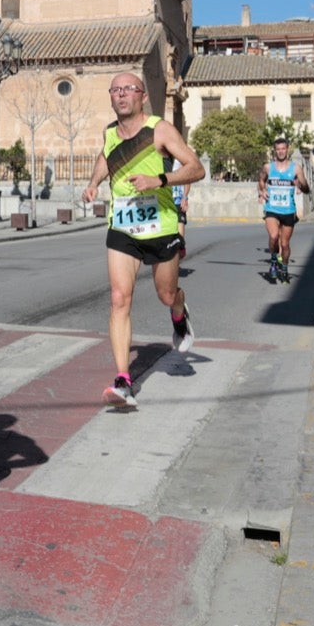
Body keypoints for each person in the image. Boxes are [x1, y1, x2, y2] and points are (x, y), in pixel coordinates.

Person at [81, 73, 204, 408]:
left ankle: (179, 311)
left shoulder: (160, 129)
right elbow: (107, 157)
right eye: (116, 90)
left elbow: (196, 168)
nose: (121, 95)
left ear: (142, 96)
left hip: (160, 225)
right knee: (119, 298)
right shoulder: (109, 132)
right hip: (122, 226)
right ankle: (123, 380)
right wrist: (94, 182)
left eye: (128, 90)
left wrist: (159, 179)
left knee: (165, 294)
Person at [256, 136, 309, 283]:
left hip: (288, 211)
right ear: (275, 151)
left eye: (283, 149)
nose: (280, 152)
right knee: (273, 236)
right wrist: (261, 192)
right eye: (278, 149)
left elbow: (306, 189)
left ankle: (284, 268)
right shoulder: (268, 167)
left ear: (288, 150)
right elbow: (261, 180)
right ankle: (274, 262)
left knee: (285, 244)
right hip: (272, 208)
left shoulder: (296, 168)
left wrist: (300, 183)